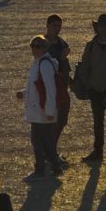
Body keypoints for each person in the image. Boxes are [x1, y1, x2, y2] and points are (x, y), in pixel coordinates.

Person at [17, 35, 63, 178]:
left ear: (44, 47)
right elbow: (36, 87)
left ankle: (44, 169)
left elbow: (50, 89)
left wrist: (50, 110)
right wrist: (23, 94)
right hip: (39, 110)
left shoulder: (44, 64)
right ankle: (52, 168)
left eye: (38, 46)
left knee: (41, 142)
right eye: (33, 46)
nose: (35, 49)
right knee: (44, 142)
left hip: (42, 111)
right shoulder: (38, 63)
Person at [78, 13, 106, 162]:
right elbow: (85, 65)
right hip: (95, 89)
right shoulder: (91, 45)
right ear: (97, 28)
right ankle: (98, 151)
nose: (104, 29)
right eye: (101, 26)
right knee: (98, 122)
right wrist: (87, 83)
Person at [45, 13, 71, 164]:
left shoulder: (60, 42)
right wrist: (61, 57)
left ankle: (52, 151)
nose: (57, 29)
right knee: (52, 122)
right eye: (55, 26)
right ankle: (50, 153)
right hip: (51, 90)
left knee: (61, 120)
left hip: (62, 87)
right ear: (48, 25)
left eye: (59, 26)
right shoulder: (43, 43)